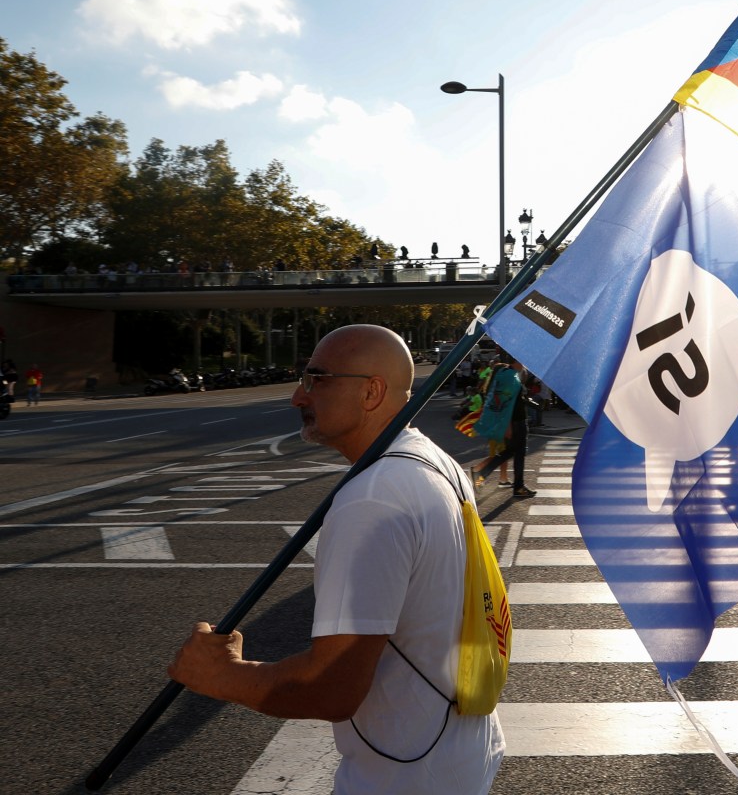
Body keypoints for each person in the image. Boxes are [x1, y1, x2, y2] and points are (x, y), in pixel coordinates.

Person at [167, 324, 505, 794]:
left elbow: (331, 688)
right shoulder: (432, 460)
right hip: (456, 750)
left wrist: (223, 676)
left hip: (404, 775)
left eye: (316, 379)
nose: (297, 398)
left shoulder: (373, 500)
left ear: (372, 392)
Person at [471, 352, 537, 499]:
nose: (525, 365)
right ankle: (516, 486)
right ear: (516, 360)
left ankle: (484, 474)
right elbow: (505, 403)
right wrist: (507, 426)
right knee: (515, 453)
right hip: (516, 422)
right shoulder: (510, 377)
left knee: (513, 452)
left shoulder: (506, 373)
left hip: (514, 421)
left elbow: (509, 400)